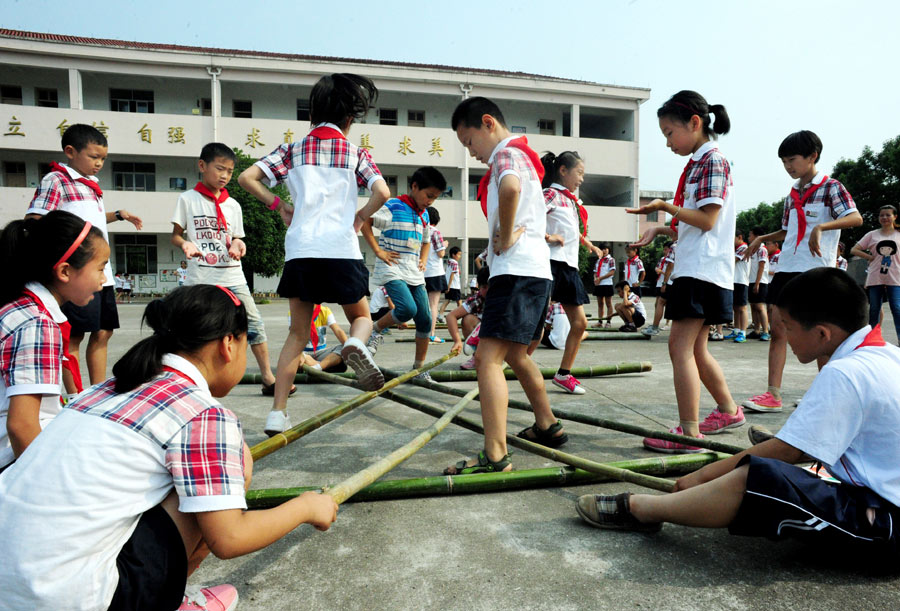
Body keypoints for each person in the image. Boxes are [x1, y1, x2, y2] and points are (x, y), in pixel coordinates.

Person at [0, 286, 338, 610]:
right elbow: (230, 538)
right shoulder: (204, 414)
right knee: (233, 467)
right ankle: (165, 601)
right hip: (63, 598)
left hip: (10, 584)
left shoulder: (104, 388)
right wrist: (306, 507)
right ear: (228, 344)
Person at [575, 269, 900, 568]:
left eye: (787, 326)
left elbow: (788, 455)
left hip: (885, 522)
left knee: (762, 478)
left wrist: (704, 475)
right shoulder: (888, 353)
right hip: (884, 494)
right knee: (797, 461)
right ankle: (793, 438)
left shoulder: (845, 373)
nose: (781, 334)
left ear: (822, 334)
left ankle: (642, 510)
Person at [238, 73, 390, 436]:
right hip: (341, 247)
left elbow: (246, 178)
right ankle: (354, 344)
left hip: (302, 249)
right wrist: (360, 216)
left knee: (297, 333)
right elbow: (382, 192)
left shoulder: (292, 150)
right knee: (362, 318)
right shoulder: (355, 153)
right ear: (350, 119)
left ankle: (277, 413)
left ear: (313, 113)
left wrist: (279, 205)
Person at [444, 96, 566, 474]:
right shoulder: (526, 155)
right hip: (537, 272)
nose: (472, 153)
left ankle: (495, 454)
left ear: (487, 123)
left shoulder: (504, 153)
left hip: (515, 272)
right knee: (516, 355)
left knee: (487, 360)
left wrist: (508, 235)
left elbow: (509, 190)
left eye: (469, 142)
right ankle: (547, 425)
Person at [627, 90, 744, 452]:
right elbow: (697, 222)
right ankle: (728, 410)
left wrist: (666, 207)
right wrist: (659, 228)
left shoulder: (712, 162)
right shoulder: (699, 163)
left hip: (702, 270)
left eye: (669, 133)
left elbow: (708, 220)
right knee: (695, 350)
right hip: (703, 268)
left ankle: (689, 434)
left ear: (695, 123)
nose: (667, 142)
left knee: (680, 348)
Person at [744, 130, 862, 413]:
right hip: (787, 267)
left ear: (812, 157)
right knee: (777, 330)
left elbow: (855, 218)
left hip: (816, 269)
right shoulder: (792, 194)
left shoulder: (831, 187)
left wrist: (821, 227)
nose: (788, 166)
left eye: (792, 159)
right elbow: (788, 230)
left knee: (821, 335)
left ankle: (826, 393)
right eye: (784, 161)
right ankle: (773, 394)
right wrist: (762, 238)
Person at [26, 123, 143, 394]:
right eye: (93, 157)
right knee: (74, 334)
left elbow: (91, 222)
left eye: (103, 158)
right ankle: (76, 394)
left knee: (103, 331)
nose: (99, 163)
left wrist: (118, 215)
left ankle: (98, 390)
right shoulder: (57, 180)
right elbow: (35, 220)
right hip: (78, 272)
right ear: (70, 151)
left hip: (102, 271)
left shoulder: (91, 186)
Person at [172, 142, 285, 399]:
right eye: (219, 169)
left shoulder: (233, 205)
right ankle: (190, 381)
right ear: (202, 166)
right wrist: (186, 244)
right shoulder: (187, 200)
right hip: (200, 277)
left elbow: (237, 238)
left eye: (230, 172)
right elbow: (176, 236)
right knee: (195, 329)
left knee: (254, 323)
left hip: (233, 275)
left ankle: (268, 377)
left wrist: (238, 243)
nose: (224, 176)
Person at [0, 211, 108, 473]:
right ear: (65, 271)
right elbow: (22, 426)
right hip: (13, 458)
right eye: (101, 268)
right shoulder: (38, 324)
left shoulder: (18, 305)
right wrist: (43, 487)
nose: (104, 280)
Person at [361, 166, 446, 377]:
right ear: (414, 186)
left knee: (425, 319)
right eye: (428, 196)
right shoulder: (393, 206)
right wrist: (378, 251)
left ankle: (419, 369)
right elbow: (365, 223)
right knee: (407, 309)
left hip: (413, 270)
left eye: (434, 198)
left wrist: (424, 259)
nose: (430, 201)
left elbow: (426, 241)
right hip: (392, 267)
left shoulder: (424, 214)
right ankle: (376, 328)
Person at [541, 150, 601, 394]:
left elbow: (570, 230)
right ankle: (491, 354)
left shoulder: (568, 200)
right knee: (533, 322)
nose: (582, 179)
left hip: (568, 266)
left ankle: (564, 373)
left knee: (579, 323)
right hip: (550, 262)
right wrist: (549, 236)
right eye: (579, 173)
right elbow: (528, 218)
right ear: (563, 171)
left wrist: (588, 244)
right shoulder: (550, 194)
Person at [851, 204, 900, 344]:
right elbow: (854, 249)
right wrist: (869, 257)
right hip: (875, 277)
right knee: (874, 309)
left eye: (888, 215)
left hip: (895, 277)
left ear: (894, 217)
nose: (884, 218)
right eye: (881, 215)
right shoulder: (872, 234)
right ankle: (872, 339)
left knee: (897, 308)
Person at [447, 265, 490, 370]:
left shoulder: (504, 298)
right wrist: (457, 341)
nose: (488, 290)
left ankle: (507, 357)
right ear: (478, 287)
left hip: (500, 338)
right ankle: (477, 357)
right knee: (468, 319)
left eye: (491, 286)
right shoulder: (476, 299)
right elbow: (450, 316)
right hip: (484, 336)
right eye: (484, 287)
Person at [300, 304, 349, 374]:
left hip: (321, 352)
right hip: (304, 353)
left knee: (344, 348)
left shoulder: (325, 311)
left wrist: (349, 347)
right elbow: (294, 336)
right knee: (294, 357)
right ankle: (324, 366)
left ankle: (316, 368)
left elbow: (338, 330)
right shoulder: (297, 312)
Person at [423, 205, 448, 339]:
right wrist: (444, 245)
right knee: (433, 305)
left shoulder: (420, 230)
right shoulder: (435, 232)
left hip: (421, 272)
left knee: (423, 305)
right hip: (434, 272)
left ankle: (421, 334)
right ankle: (431, 334)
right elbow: (441, 253)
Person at [642, 240, 675, 336]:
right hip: (661, 282)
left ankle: (664, 324)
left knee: (664, 302)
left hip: (669, 281)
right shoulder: (662, 259)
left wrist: (665, 281)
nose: (665, 251)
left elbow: (670, 268)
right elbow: (658, 268)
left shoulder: (675, 247)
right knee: (658, 303)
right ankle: (655, 324)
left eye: (666, 249)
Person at [726, 230, 750, 343]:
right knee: (736, 307)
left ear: (739, 237)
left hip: (741, 281)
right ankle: (736, 330)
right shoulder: (736, 248)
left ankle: (743, 332)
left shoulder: (744, 248)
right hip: (733, 281)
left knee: (742, 308)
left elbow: (732, 260)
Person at [747, 227, 771, 341]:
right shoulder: (753, 249)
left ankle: (765, 331)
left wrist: (757, 283)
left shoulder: (762, 249)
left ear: (756, 236)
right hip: (752, 280)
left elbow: (761, 266)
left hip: (760, 281)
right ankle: (756, 330)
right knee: (753, 305)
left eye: (750, 235)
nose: (749, 237)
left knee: (760, 306)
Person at [592, 242, 615, 327]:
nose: (604, 251)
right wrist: (595, 278)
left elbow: (612, 272)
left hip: (607, 284)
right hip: (599, 285)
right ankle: (600, 322)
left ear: (609, 250)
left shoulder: (611, 260)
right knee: (600, 304)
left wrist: (600, 278)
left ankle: (608, 322)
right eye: (602, 249)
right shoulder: (598, 260)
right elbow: (595, 272)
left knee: (608, 304)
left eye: (605, 249)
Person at [438, 246, 464, 320]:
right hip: (454, 286)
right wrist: (449, 286)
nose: (459, 256)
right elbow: (452, 275)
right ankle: (461, 315)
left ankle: (440, 315)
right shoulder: (455, 263)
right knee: (459, 302)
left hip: (450, 285)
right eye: (458, 254)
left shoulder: (449, 261)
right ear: (453, 255)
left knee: (447, 301)